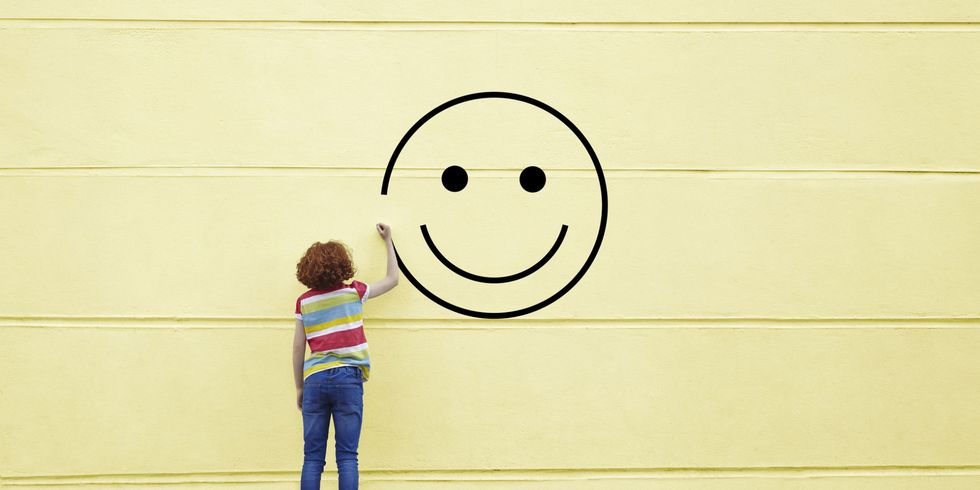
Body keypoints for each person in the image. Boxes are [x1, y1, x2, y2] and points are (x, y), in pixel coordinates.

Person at [292, 223, 399, 490]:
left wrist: (299, 386)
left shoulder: (304, 302)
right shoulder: (354, 293)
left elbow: (297, 347)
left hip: (315, 379)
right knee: (348, 457)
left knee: (312, 458)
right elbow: (392, 280)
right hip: (348, 380)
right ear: (342, 265)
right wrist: (389, 241)